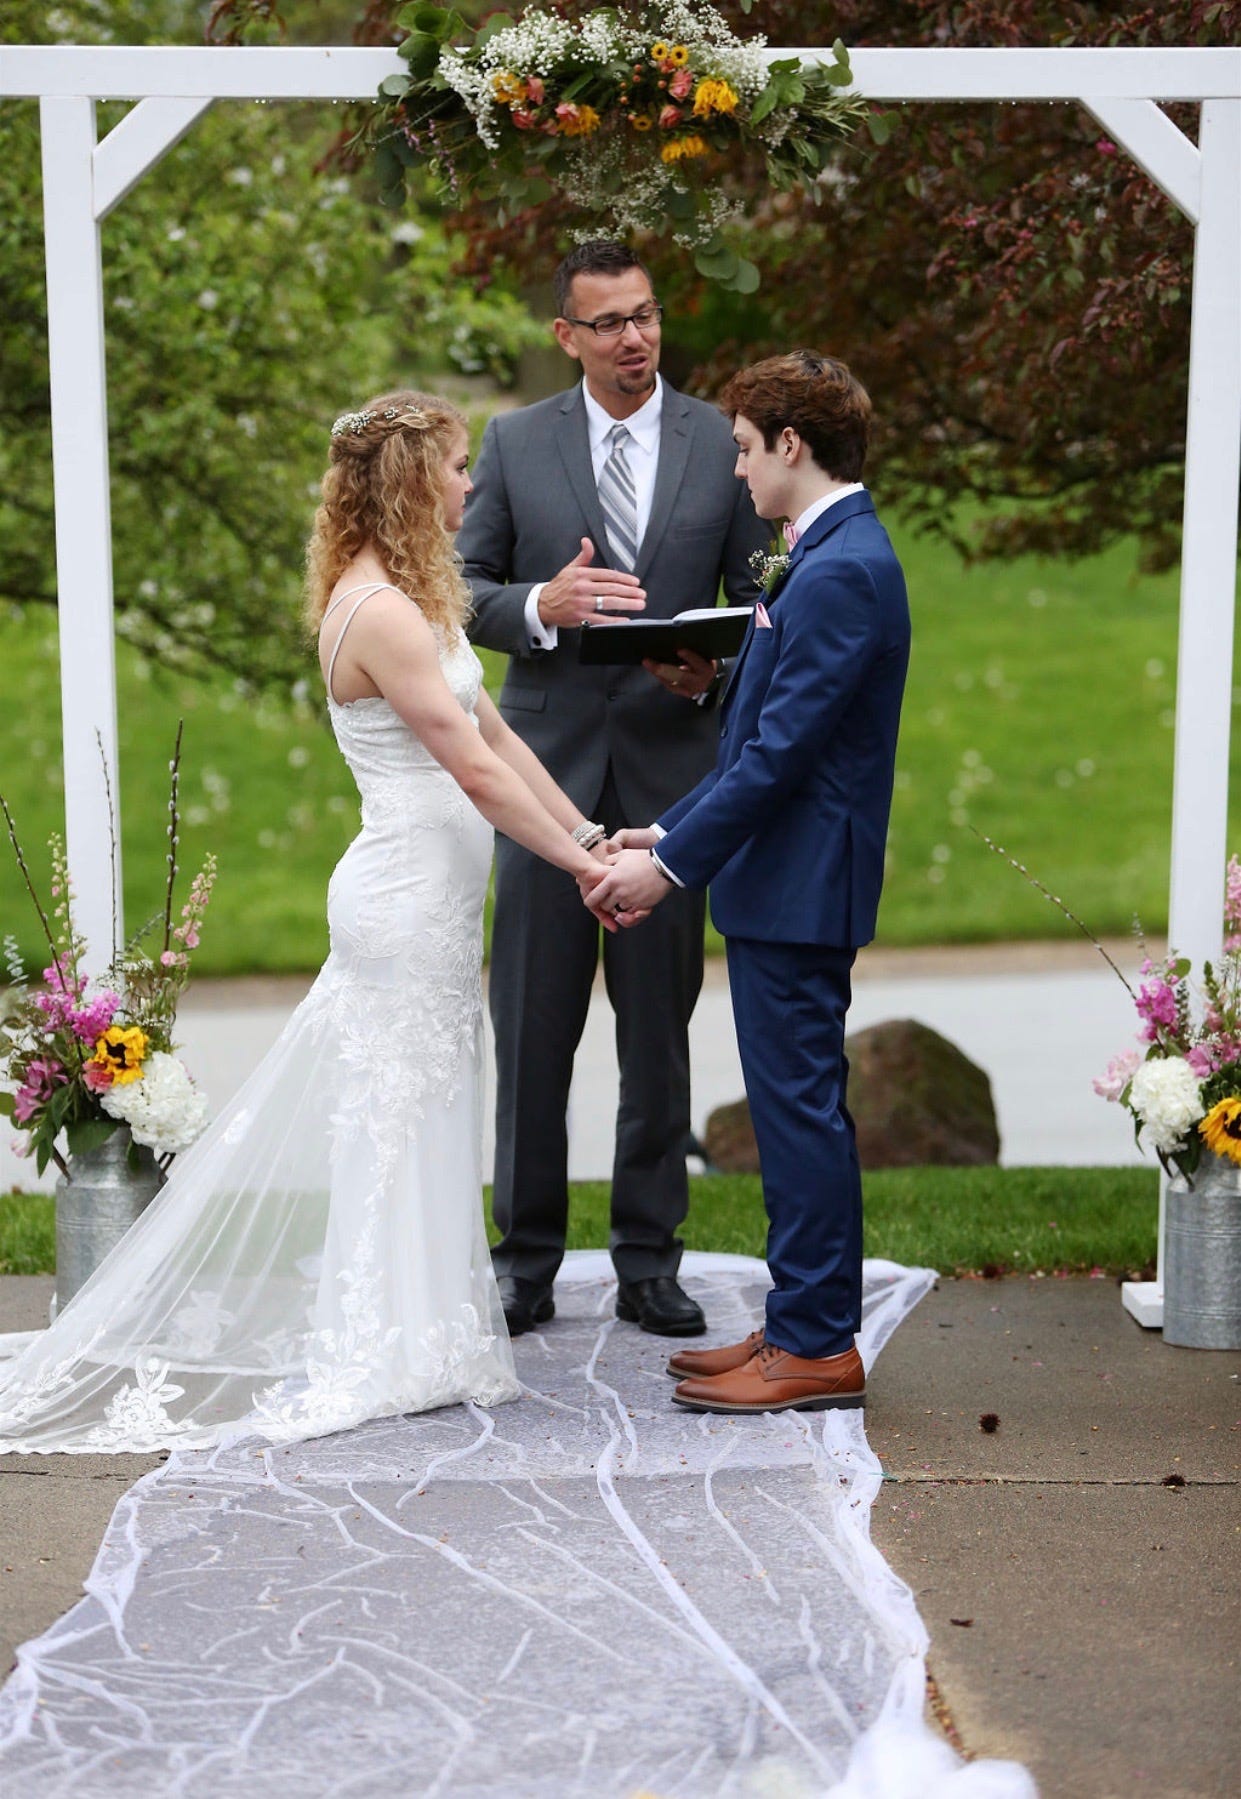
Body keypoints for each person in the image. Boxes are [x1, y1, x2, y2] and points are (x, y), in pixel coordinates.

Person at [0, 391, 615, 1455]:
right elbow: (469, 773)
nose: (469, 483)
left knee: (427, 1112)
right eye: (454, 466)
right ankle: (381, 1343)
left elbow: (499, 738)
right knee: (393, 1119)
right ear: (410, 480)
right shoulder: (376, 611)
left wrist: (588, 835)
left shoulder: (416, 598)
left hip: (432, 901)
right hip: (401, 900)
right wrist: (583, 871)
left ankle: (424, 1333)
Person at [589, 352, 911, 1415]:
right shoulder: (818, 555)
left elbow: (780, 758)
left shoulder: (842, 567)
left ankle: (815, 1345)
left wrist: (665, 867)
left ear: (789, 443)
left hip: (801, 885)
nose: (734, 470)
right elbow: (759, 735)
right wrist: (665, 825)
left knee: (799, 1114)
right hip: (781, 878)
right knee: (786, 1113)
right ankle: (795, 1320)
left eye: (741, 448)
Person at [458, 240, 767, 1341]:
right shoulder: (514, 440)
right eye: (609, 323)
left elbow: (761, 604)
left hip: (670, 783)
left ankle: (648, 1260)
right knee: (531, 1030)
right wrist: (539, 605)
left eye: (645, 316)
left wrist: (709, 676)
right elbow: (459, 588)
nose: (635, 338)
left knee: (656, 1036)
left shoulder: (717, 441)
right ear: (566, 336)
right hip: (539, 784)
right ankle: (523, 1260)